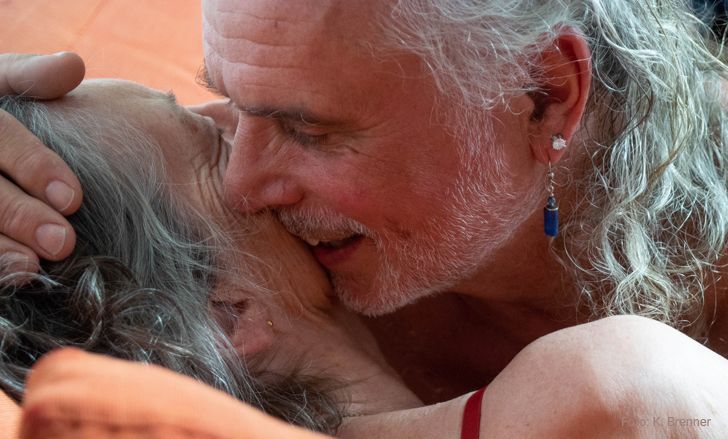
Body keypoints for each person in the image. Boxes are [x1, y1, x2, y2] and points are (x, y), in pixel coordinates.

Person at [1, 0, 728, 404]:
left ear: (543, 96)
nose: (242, 184)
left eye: (309, 131)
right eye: (230, 106)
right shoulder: (247, 271)